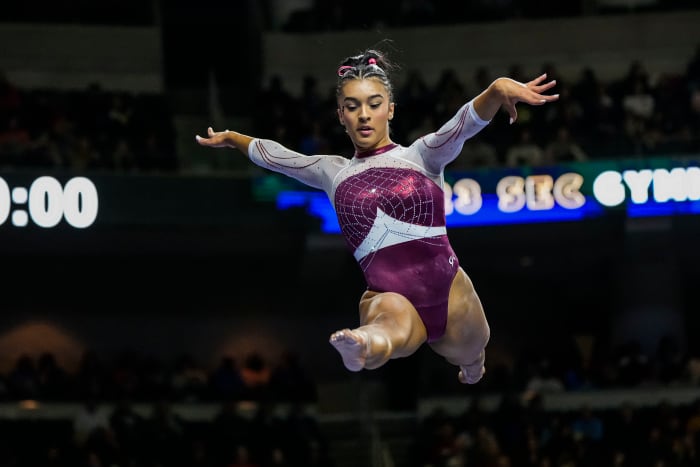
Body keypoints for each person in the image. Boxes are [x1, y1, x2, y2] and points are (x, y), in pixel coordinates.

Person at [196, 48, 559, 384]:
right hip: (389, 293)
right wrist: (235, 139)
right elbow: (279, 156)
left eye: (373, 104)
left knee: (472, 354)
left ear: (391, 109)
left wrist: (495, 91)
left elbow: (461, 125)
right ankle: (361, 346)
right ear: (341, 115)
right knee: (386, 330)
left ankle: (472, 368)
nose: (364, 115)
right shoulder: (332, 171)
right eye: (352, 106)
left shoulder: (422, 156)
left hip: (449, 292)